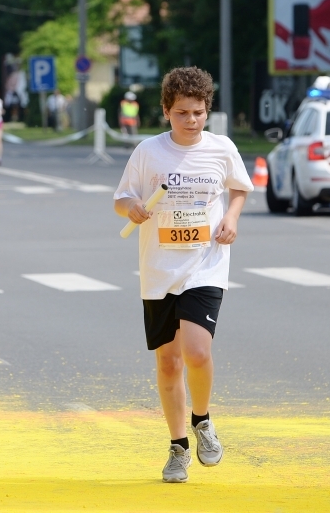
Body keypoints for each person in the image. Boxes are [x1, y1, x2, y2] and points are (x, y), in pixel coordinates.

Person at [113, 67, 253, 484]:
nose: (191, 121)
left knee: (197, 352)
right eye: (181, 113)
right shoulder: (148, 151)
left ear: (207, 109)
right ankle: (178, 446)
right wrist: (132, 209)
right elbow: (122, 198)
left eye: (198, 112)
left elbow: (240, 187)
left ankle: (203, 420)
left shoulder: (221, 148)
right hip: (159, 269)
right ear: (166, 112)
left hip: (205, 265)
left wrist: (231, 217)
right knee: (169, 362)